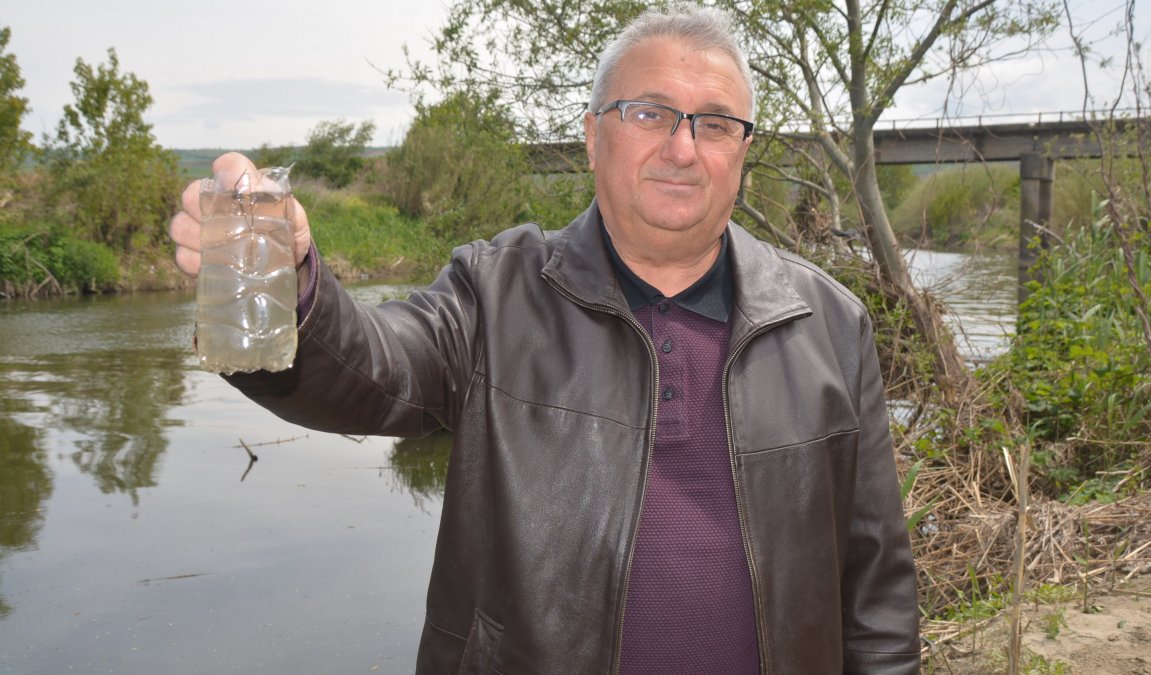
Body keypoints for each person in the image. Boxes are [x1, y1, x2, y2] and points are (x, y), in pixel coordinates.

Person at [170, 5, 919, 674]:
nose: (683, 148)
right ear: (593, 137)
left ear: (742, 155)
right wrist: (287, 290)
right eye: (650, 113)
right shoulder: (493, 294)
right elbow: (370, 368)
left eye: (715, 123)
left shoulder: (830, 324)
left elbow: (877, 597)